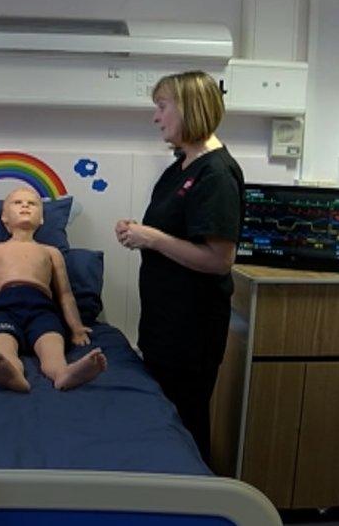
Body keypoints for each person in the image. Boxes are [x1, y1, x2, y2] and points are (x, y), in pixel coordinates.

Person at [114, 70, 244, 463]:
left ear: (188, 108)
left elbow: (219, 260)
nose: (156, 117)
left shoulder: (216, 174)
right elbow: (176, 233)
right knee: (166, 422)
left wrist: (151, 238)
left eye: (162, 106)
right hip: (165, 324)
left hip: (192, 330)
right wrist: (138, 232)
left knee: (184, 427)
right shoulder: (182, 168)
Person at [0, 187, 106, 392]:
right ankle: (11, 371)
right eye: (17, 203)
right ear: (4, 218)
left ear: (42, 219)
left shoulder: (50, 252)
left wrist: (76, 327)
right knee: (2, 345)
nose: (25, 205)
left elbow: (65, 295)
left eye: (32, 203)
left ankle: (62, 373)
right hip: (3, 307)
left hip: (42, 308)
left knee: (52, 344)